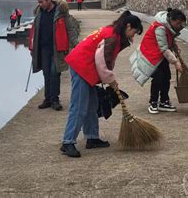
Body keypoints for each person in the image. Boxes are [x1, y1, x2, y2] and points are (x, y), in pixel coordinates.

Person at [61, 11, 143, 158]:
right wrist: (111, 81)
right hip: (81, 67)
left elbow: (104, 62)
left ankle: (92, 138)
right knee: (79, 106)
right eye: (134, 32)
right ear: (128, 26)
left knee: (92, 105)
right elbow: (102, 63)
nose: (133, 36)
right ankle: (67, 142)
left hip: (87, 68)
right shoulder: (112, 37)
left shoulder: (114, 33)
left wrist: (109, 79)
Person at [29, 0, 78, 111]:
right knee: (46, 73)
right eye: (38, 2)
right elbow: (34, 31)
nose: (40, 4)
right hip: (43, 49)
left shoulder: (61, 13)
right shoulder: (39, 13)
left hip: (57, 49)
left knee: (54, 73)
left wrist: (76, 45)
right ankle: (47, 99)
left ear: (49, 0)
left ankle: (55, 99)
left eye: (41, 2)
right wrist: (32, 47)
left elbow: (70, 29)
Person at [130, 8, 185, 114]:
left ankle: (164, 101)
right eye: (178, 23)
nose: (179, 26)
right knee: (158, 77)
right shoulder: (160, 28)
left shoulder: (168, 26)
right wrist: (175, 62)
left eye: (181, 24)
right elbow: (164, 48)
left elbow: (168, 41)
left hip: (160, 55)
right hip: (151, 55)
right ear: (171, 20)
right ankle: (153, 102)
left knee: (167, 77)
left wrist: (174, 45)